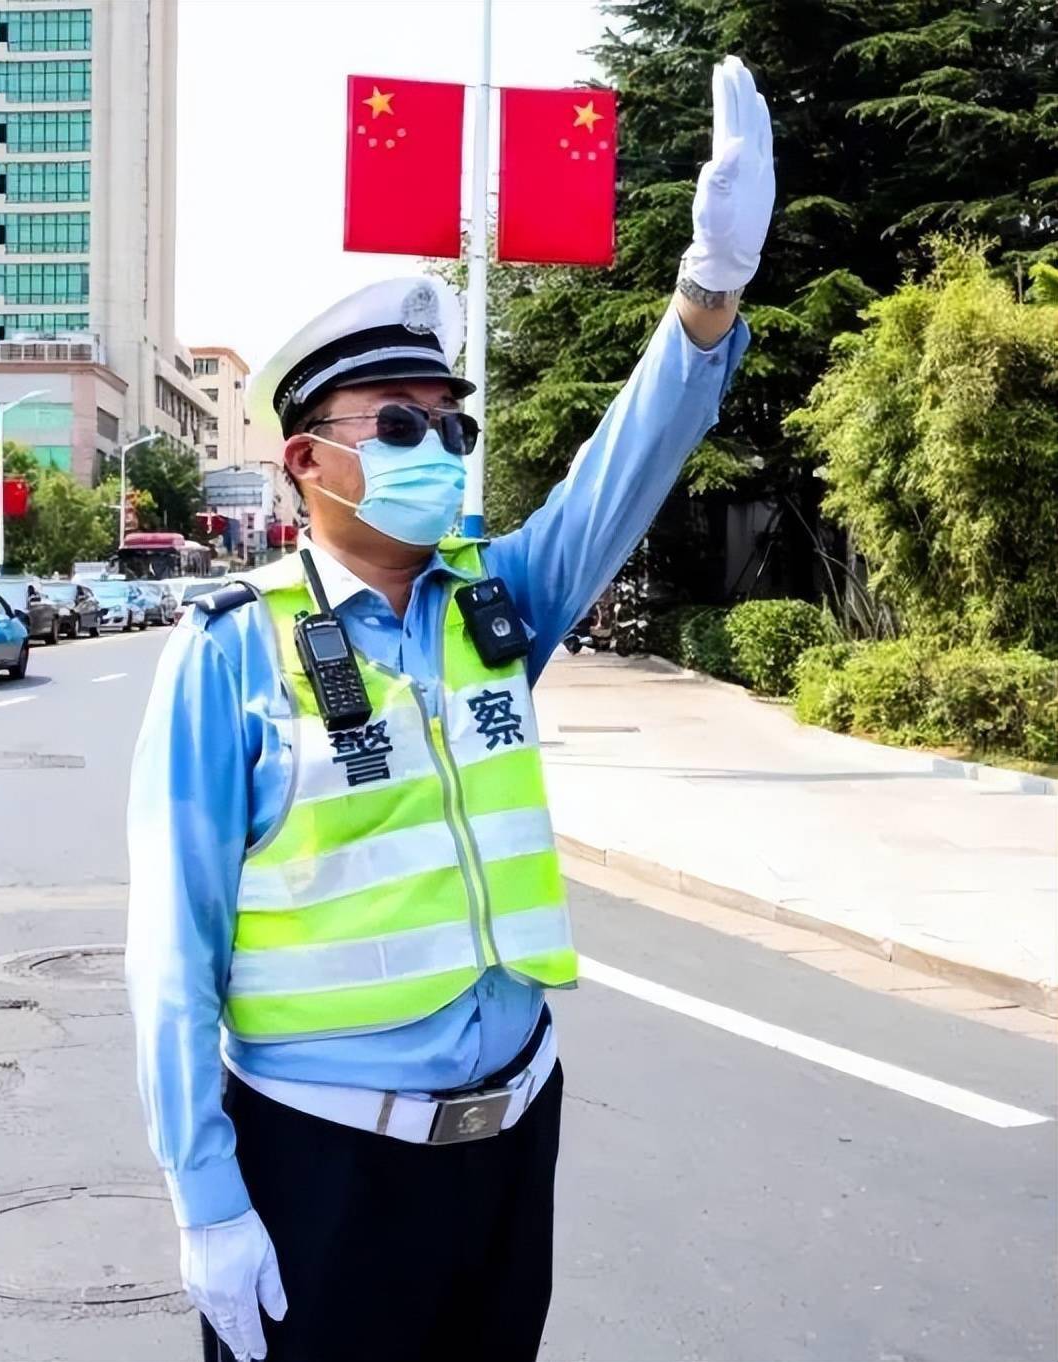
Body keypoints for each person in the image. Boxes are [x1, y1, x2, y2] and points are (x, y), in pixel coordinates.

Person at [127, 55, 774, 1362]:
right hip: (324, 1168)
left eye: (451, 428)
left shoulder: (494, 604)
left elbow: (620, 472)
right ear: (308, 459)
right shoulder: (231, 654)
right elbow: (168, 959)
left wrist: (703, 299)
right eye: (400, 424)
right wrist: (206, 1199)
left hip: (506, 1143)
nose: (436, 449)